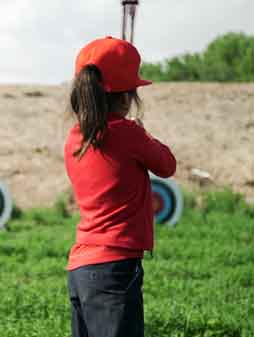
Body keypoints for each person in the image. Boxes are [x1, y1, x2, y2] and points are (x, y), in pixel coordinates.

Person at [65, 36, 176, 337]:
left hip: (80, 269)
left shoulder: (74, 139)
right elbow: (167, 165)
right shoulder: (128, 133)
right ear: (126, 97)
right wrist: (142, 134)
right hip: (114, 270)